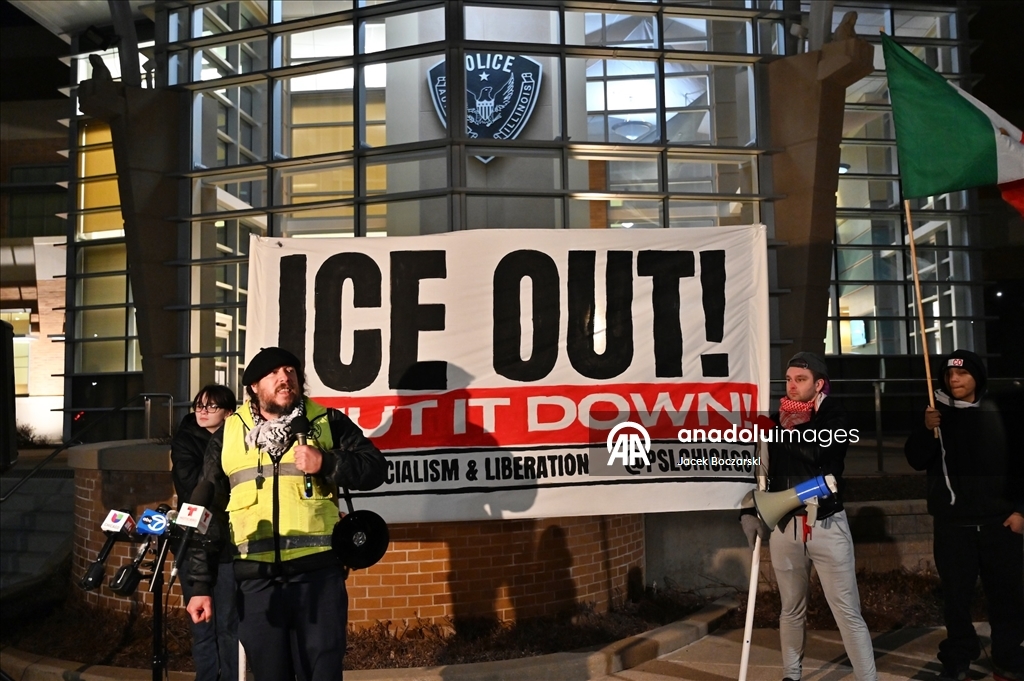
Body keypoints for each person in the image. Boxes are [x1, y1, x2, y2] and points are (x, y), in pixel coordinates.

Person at [184, 347, 387, 680]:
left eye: (290, 371)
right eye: (273, 373)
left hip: (319, 577)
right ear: (253, 386)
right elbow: (209, 514)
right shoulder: (230, 433)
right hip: (257, 584)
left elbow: (375, 468)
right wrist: (200, 585)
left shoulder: (327, 421)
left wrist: (328, 462)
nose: (284, 378)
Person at [742, 352, 876, 681]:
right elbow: (761, 473)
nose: (791, 386)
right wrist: (750, 510)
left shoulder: (834, 414)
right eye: (788, 379)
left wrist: (776, 435)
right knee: (790, 609)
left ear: (818, 384)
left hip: (825, 525)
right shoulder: (778, 419)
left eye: (800, 379)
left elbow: (819, 452)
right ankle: (791, 674)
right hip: (786, 528)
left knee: (847, 612)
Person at [904, 349, 1024, 681]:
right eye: (949, 375)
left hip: (999, 524)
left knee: (1007, 596)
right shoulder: (934, 413)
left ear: (977, 378)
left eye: (962, 374)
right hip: (953, 527)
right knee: (956, 601)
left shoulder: (999, 410)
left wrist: (1020, 511)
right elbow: (915, 458)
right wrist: (926, 429)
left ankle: (1008, 656)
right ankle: (958, 655)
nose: (954, 380)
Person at [171, 384, 239, 681]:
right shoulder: (185, 441)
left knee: (229, 625)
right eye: (199, 405)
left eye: (211, 406)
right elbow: (194, 490)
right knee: (202, 627)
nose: (202, 411)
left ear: (228, 413)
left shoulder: (240, 440)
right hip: (194, 544)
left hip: (229, 545)